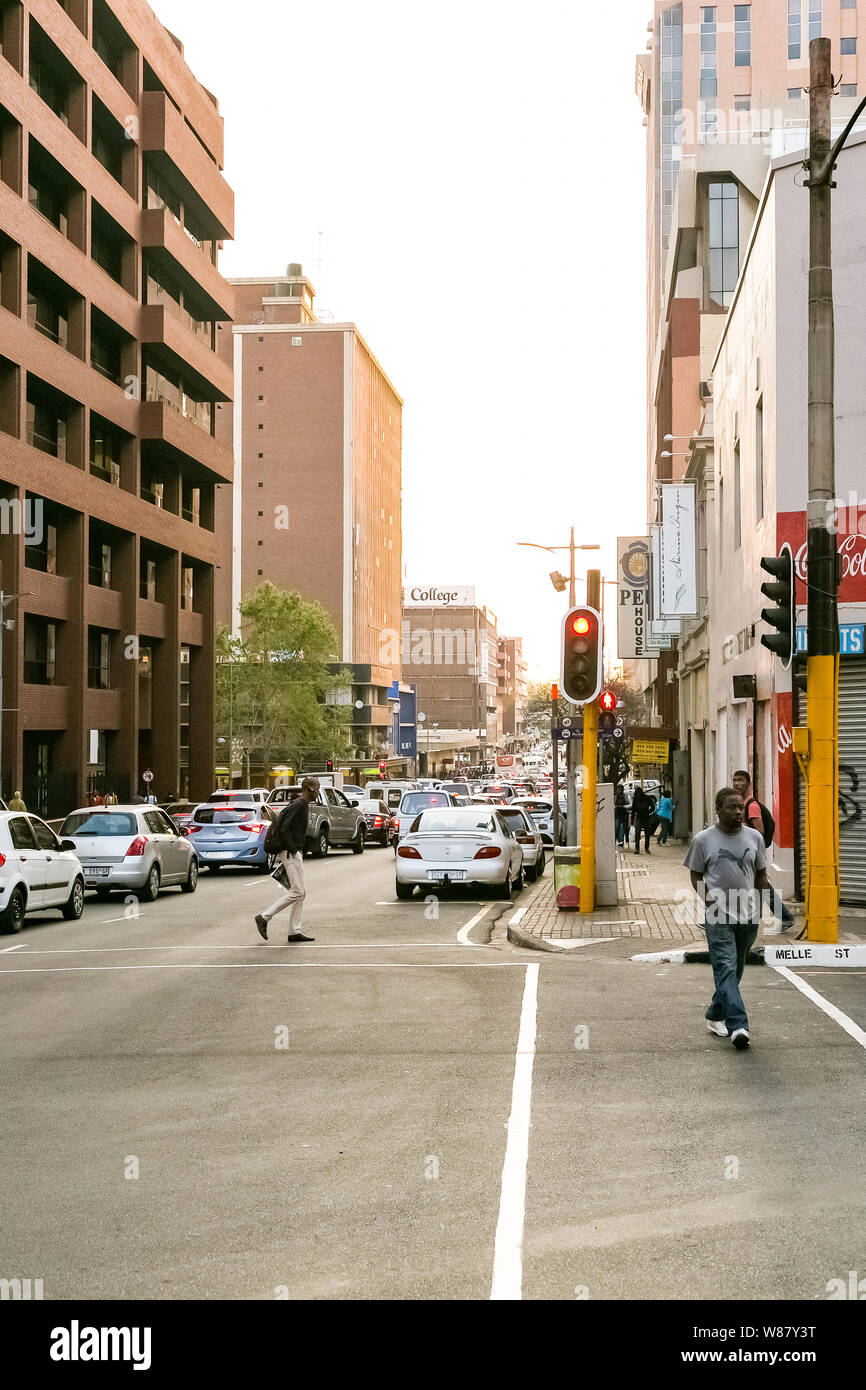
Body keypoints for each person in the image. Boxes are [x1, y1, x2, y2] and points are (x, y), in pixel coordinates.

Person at [684, 787, 770, 1050]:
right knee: (725, 967)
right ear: (718, 810)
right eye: (731, 807)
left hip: (748, 914)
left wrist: (760, 905)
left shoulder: (754, 837)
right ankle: (739, 1025)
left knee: (736, 970)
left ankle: (714, 1014)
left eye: (740, 807)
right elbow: (695, 874)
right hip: (718, 915)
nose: (737, 812)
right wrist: (709, 901)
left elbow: (761, 874)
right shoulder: (703, 839)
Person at [255, 777, 319, 943]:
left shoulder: (300, 805)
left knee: (300, 893)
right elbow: (284, 829)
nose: (318, 792)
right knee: (298, 891)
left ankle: (294, 931)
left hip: (292, 852)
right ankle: (264, 917)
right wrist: (293, 849)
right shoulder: (299, 805)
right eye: (317, 789)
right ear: (310, 788)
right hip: (290, 853)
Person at [731, 769, 793, 931]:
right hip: (743, 853)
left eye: (740, 780)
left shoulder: (751, 806)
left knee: (757, 886)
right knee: (757, 886)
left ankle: (718, 920)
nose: (737, 783)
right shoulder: (742, 804)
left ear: (748, 784)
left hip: (750, 854)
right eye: (735, 780)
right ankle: (785, 917)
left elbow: (759, 832)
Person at [631, 785, 655, 855]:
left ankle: (646, 848)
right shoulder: (635, 799)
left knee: (647, 834)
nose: (637, 796)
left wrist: (648, 812)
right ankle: (637, 848)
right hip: (639, 818)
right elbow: (633, 810)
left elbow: (653, 807)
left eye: (638, 794)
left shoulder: (647, 798)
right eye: (636, 795)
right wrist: (632, 820)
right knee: (637, 833)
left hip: (646, 818)